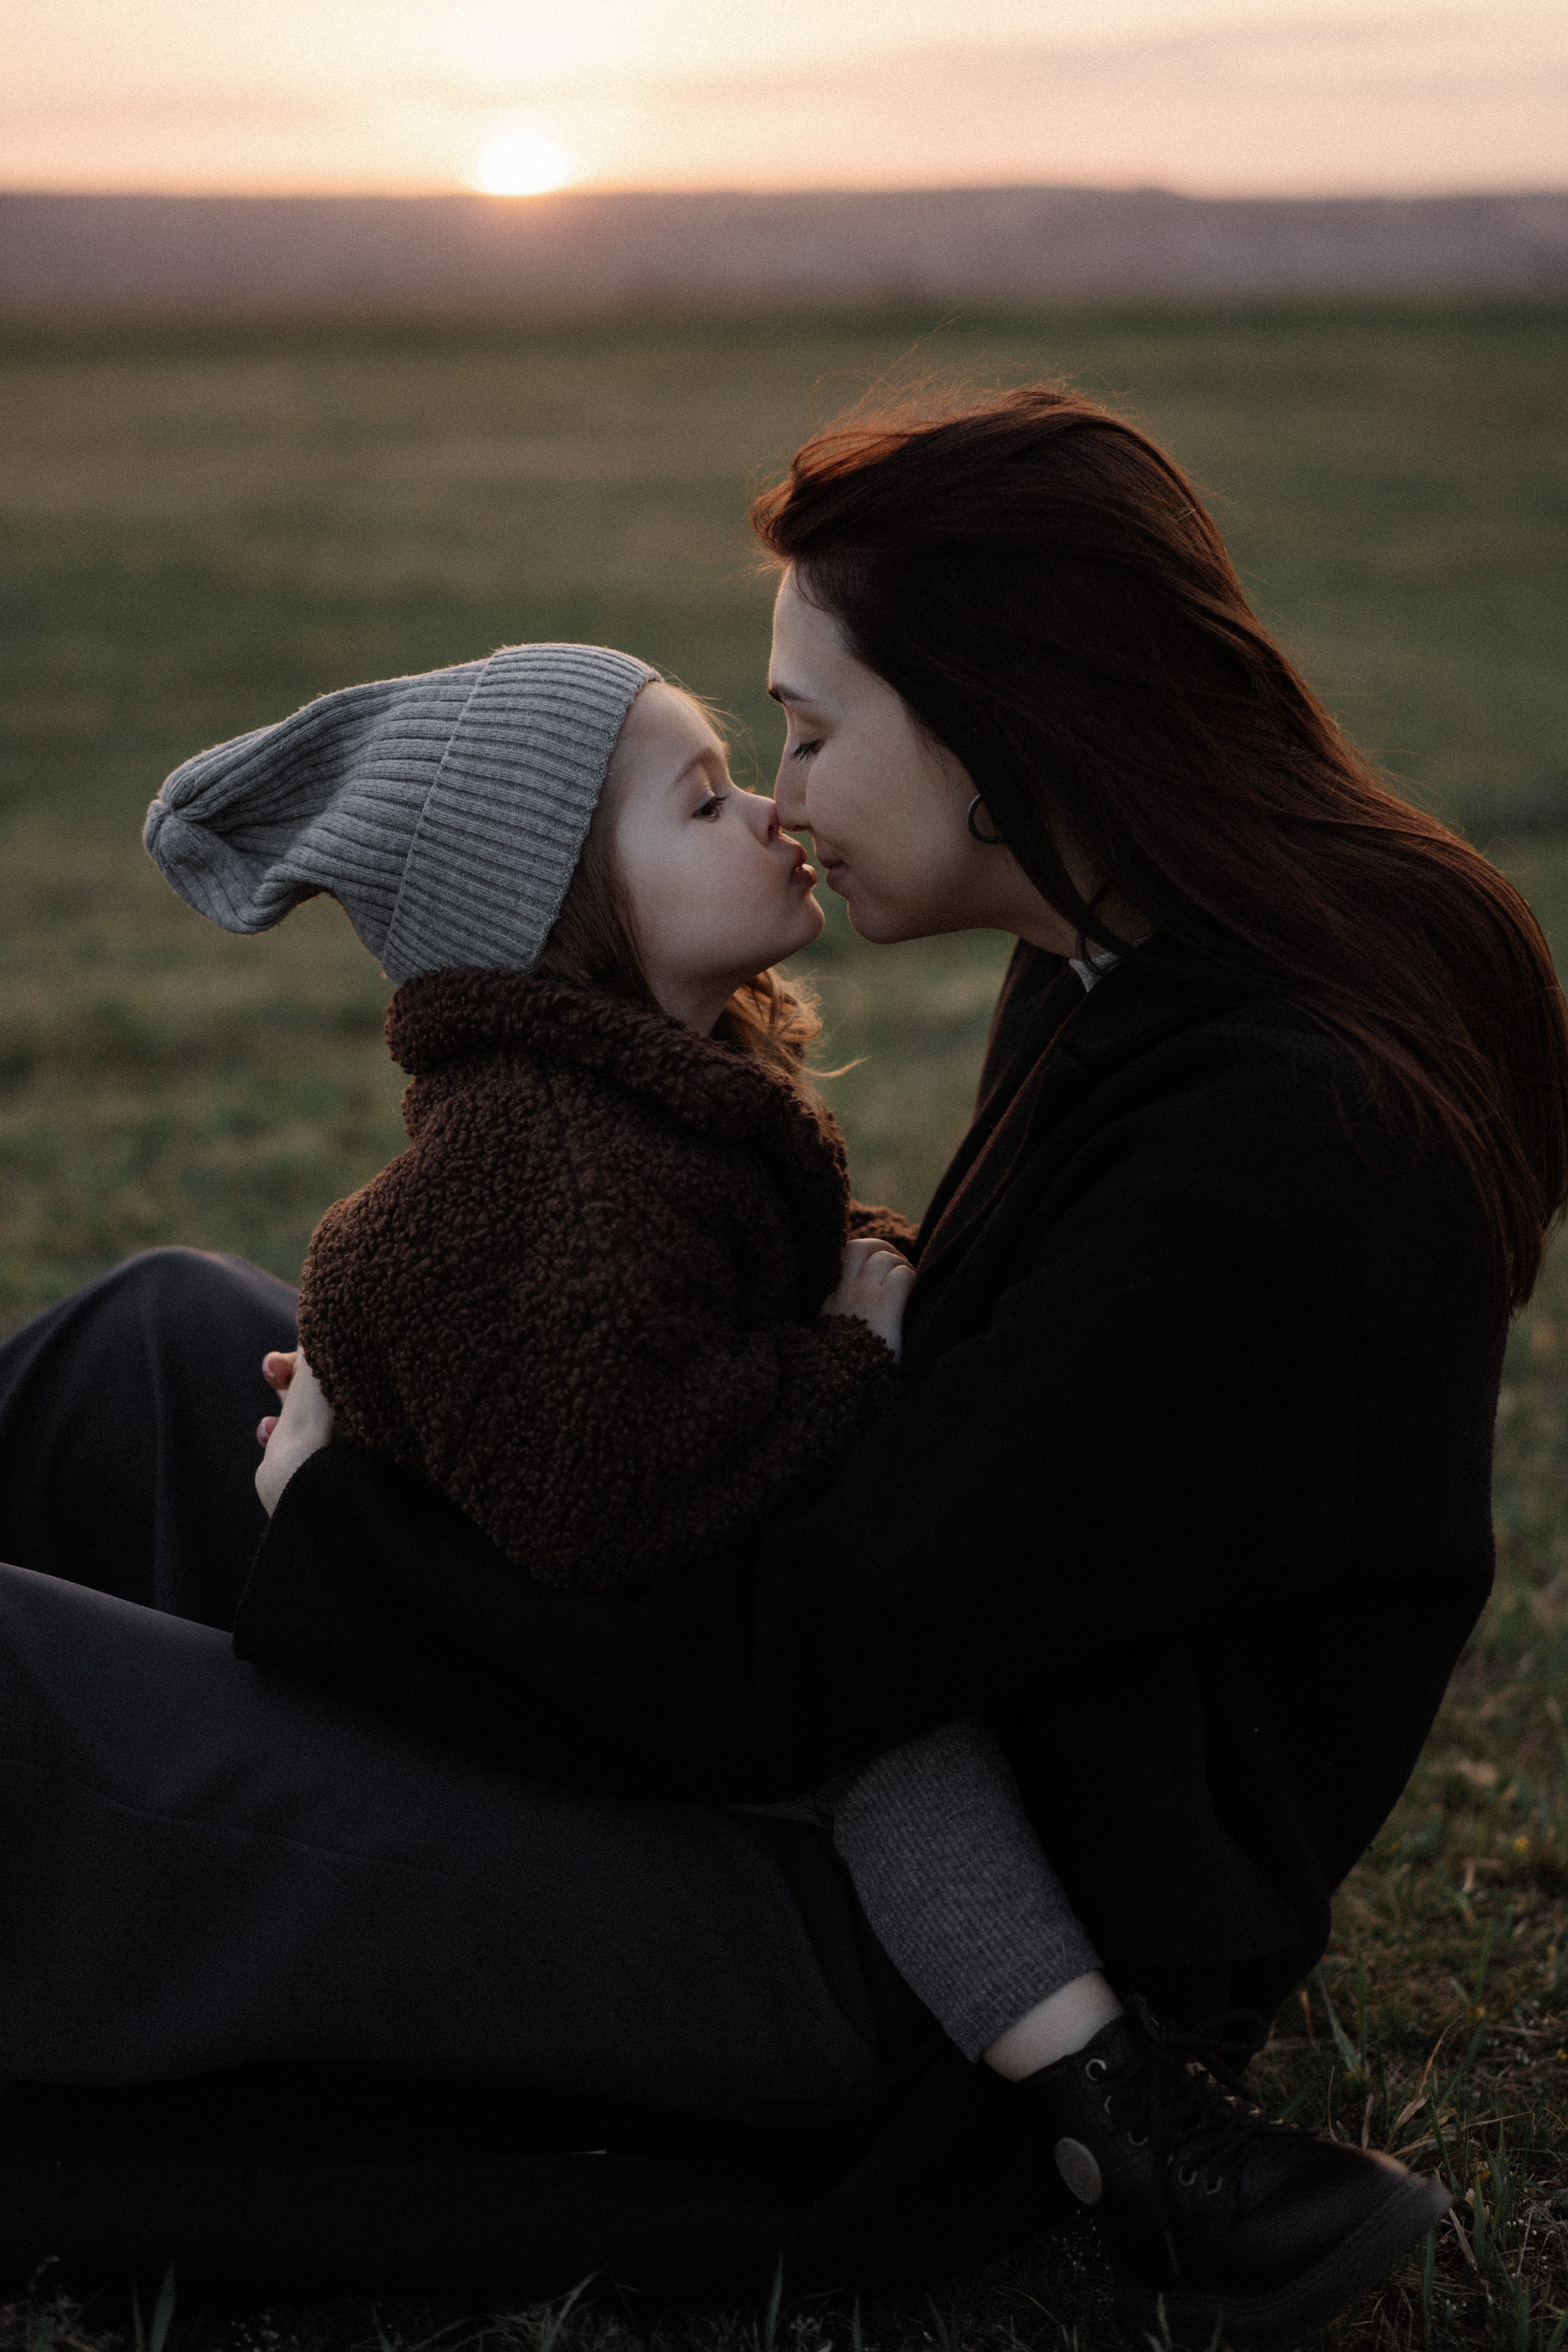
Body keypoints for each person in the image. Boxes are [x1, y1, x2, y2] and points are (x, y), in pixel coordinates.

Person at [0, 383, 1557, 2338]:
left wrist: (345, 1536)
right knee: (153, 1333)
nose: (789, 798)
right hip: (843, 1725)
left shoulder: (1278, 1151)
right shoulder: (1164, 953)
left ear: (1002, 717)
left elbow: (792, 1663)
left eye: (810, 733)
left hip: (919, 1953)